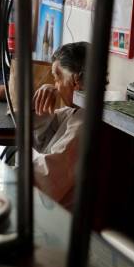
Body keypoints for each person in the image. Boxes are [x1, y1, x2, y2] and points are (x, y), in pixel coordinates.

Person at [31, 41, 88, 210]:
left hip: (59, 218)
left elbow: (46, 177)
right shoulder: (74, 112)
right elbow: (40, 140)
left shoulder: (84, 124)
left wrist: (2, 175)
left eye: (57, 77)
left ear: (75, 80)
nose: (55, 85)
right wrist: (43, 104)